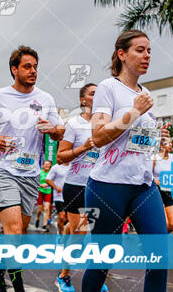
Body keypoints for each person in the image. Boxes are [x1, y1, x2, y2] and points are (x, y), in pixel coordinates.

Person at [0, 45, 64, 292]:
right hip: (3, 170)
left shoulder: (46, 99)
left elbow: (60, 132)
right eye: (27, 67)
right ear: (14, 70)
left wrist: (52, 130)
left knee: (18, 234)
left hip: (31, 174)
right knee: (13, 230)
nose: (33, 71)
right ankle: (18, 288)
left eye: (35, 67)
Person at [82, 30, 169, 292]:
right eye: (140, 50)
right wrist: (134, 111)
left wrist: (157, 138)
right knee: (103, 261)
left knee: (159, 257)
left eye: (149, 51)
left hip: (143, 185)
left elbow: (135, 141)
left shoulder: (147, 94)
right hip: (107, 185)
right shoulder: (108, 88)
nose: (147, 56)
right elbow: (98, 136)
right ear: (122, 54)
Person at [56, 83, 105, 292]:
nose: (98, 97)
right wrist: (83, 147)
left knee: (95, 234)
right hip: (76, 185)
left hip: (100, 186)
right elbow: (60, 157)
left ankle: (96, 280)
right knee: (82, 233)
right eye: (93, 94)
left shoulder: (106, 124)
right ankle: (63, 277)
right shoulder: (74, 124)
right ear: (83, 100)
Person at [152, 141, 173, 233]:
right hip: (157, 191)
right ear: (161, 144)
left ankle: (153, 238)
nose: (171, 145)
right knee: (164, 223)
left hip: (168, 191)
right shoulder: (154, 157)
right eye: (168, 143)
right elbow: (148, 177)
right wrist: (160, 182)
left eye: (171, 143)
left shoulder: (172, 157)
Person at [45, 162, 68, 234]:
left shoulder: (74, 165)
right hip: (59, 196)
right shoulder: (56, 167)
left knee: (68, 219)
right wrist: (56, 187)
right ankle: (60, 234)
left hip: (70, 195)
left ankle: (65, 235)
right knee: (62, 217)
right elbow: (48, 179)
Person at [35, 160, 53, 230]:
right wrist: (41, 185)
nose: (47, 165)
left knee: (46, 208)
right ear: (43, 165)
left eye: (48, 164)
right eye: (46, 164)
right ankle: (37, 218)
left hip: (48, 192)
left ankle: (44, 225)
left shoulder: (52, 173)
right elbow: (35, 182)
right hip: (40, 191)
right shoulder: (40, 172)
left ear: (50, 165)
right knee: (40, 209)